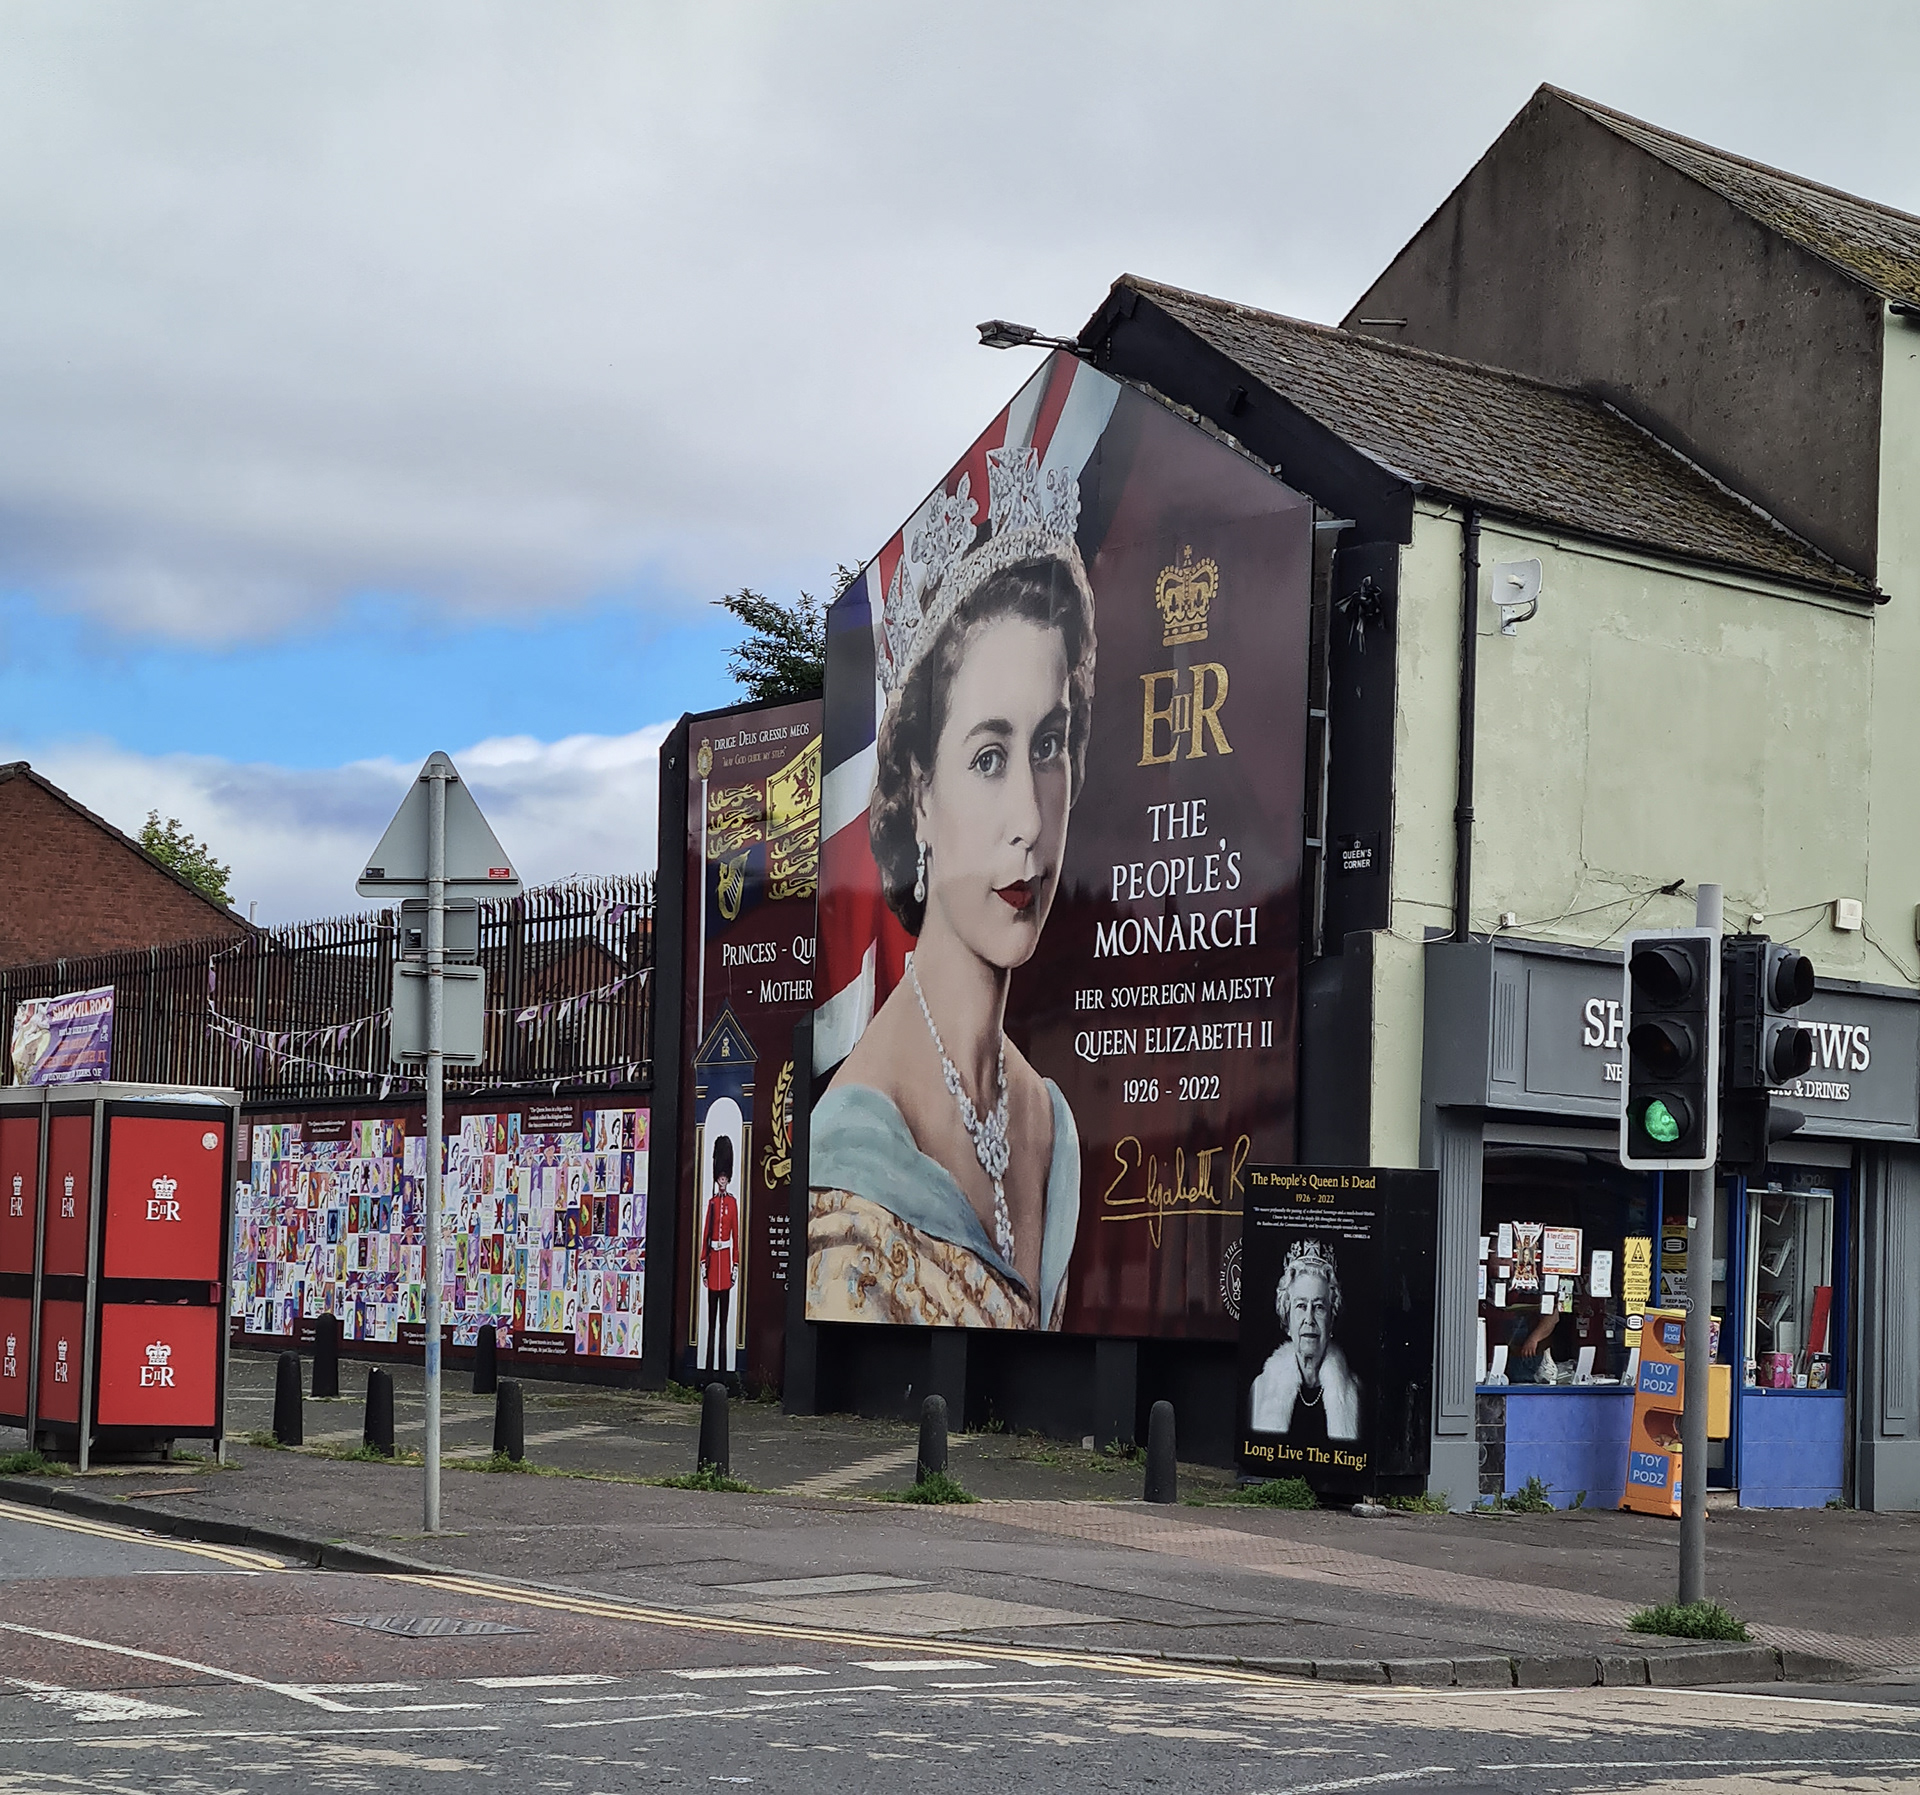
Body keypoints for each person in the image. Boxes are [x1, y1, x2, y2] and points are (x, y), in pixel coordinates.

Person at [809, 447, 1093, 1330]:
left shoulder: (1048, 1120)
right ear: (920, 797)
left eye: (1048, 744)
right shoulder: (855, 1147)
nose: (1029, 820)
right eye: (988, 756)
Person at [1249, 1240, 1363, 1443]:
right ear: (1287, 1316)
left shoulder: (1355, 1392)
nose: (1309, 1319)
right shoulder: (1261, 1388)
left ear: (1331, 1317)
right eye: (1301, 1306)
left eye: (1319, 1307)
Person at [701, 1133, 738, 1371]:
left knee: (723, 1322)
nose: (722, 1180)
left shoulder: (732, 1203)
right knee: (711, 1322)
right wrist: (704, 1263)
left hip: (724, 1263)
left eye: (725, 1177)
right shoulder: (713, 1203)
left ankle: (723, 1366)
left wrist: (735, 1265)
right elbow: (706, 1233)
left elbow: (736, 1235)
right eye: (720, 1177)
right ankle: (708, 1364)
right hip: (714, 1262)